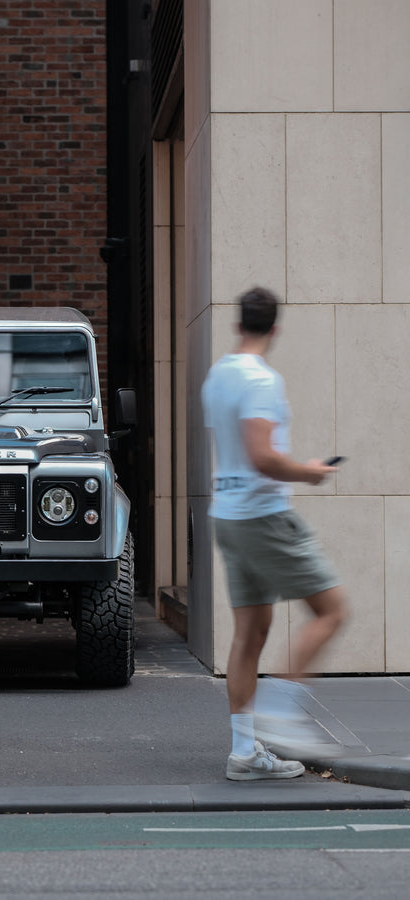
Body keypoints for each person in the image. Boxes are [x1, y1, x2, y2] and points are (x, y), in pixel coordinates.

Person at [201, 286, 348, 781]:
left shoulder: (218, 376)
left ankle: (245, 753)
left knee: (251, 632)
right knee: (332, 611)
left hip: (229, 515)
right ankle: (279, 712)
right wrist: (309, 472)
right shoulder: (261, 379)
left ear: (238, 324)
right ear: (275, 329)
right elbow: (263, 456)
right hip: (264, 516)